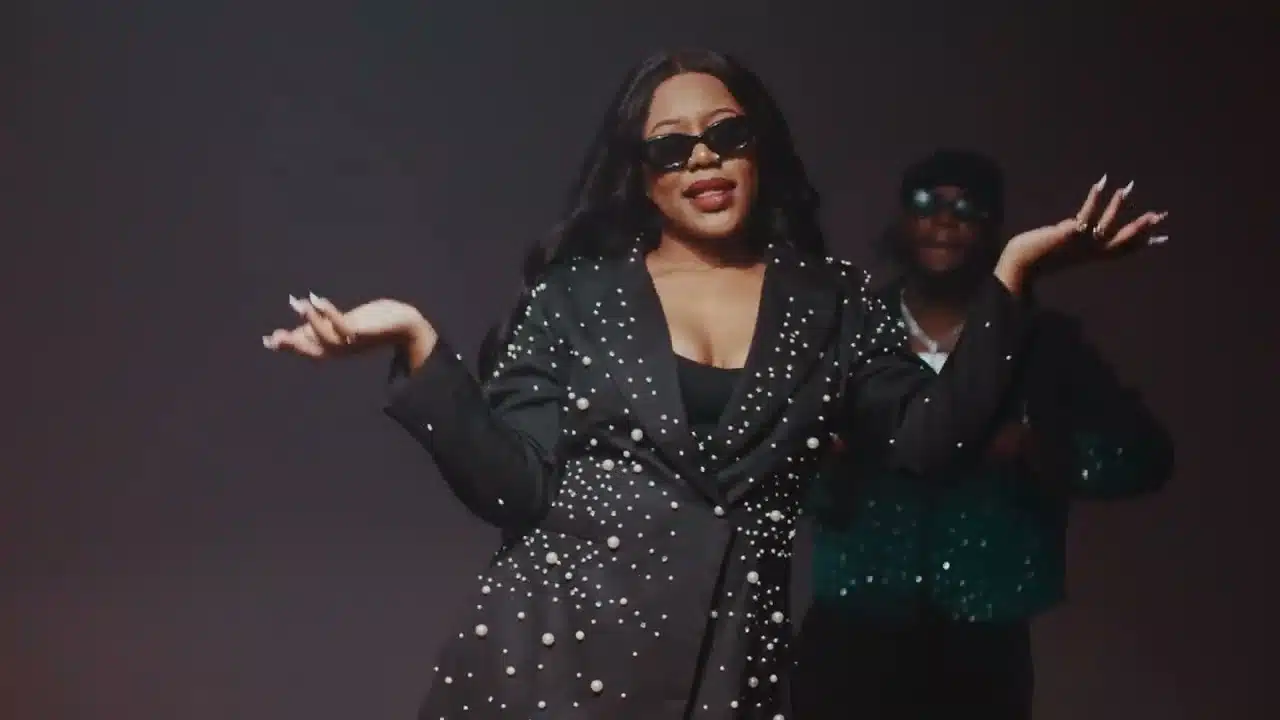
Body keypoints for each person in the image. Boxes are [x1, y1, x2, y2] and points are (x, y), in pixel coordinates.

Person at [262, 51, 1167, 720]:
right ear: (641, 176)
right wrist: (419, 343)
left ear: (758, 150)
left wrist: (1013, 275)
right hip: (544, 664)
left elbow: (931, 442)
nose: (702, 159)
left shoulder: (834, 302)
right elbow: (515, 490)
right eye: (672, 147)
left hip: (727, 674)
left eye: (726, 135)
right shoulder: (575, 296)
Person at [791, 149, 1174, 720]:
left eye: (967, 208)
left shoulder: (1042, 343)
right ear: (902, 217)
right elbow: (773, 467)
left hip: (984, 633)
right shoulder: (848, 330)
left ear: (993, 228)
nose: (946, 221)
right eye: (928, 203)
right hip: (853, 622)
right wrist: (823, 458)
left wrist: (1039, 447)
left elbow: (1144, 457)